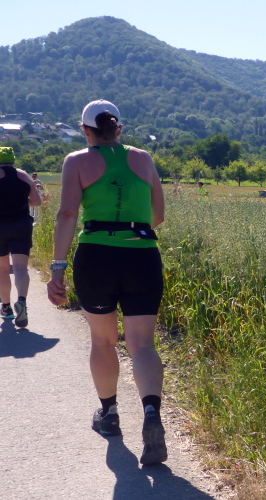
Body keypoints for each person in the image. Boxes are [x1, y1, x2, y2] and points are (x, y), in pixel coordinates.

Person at [46, 100, 168, 465]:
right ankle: (151, 413)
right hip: (141, 255)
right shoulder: (143, 158)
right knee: (142, 344)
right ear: (119, 129)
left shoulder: (76, 161)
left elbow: (68, 213)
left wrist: (57, 269)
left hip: (96, 256)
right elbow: (158, 214)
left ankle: (109, 413)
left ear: (86, 131)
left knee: (103, 340)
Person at [0, 146, 42, 327]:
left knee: (2, 269)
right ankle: (22, 301)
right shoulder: (23, 175)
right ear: (13, 160)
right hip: (21, 225)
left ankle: (6, 307)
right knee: (20, 268)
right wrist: (22, 201)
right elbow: (37, 202)